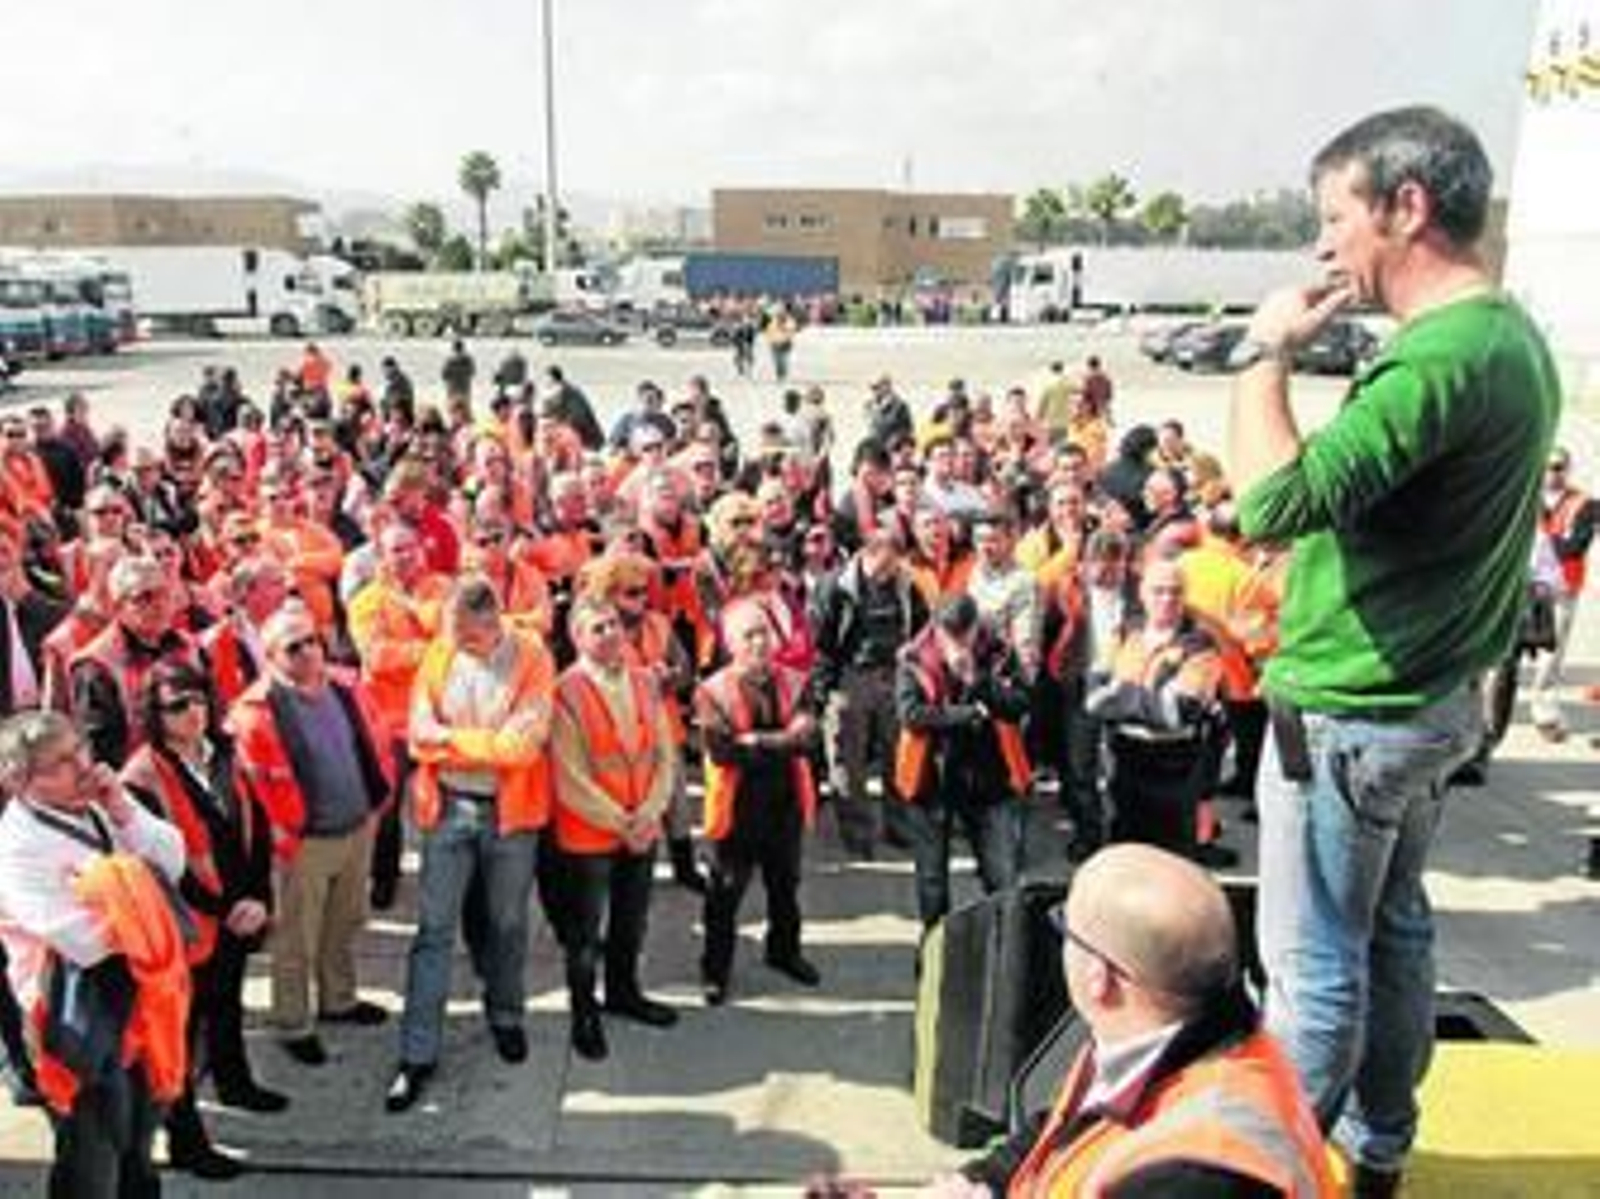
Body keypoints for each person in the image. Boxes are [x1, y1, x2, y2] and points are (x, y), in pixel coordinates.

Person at [1228, 107, 1559, 1196]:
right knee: (1395, 933)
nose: (1324, 246)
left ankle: (1262, 1175)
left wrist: (1264, 349)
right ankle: (1376, 1154)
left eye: (1337, 216)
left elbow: (1268, 502)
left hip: (1352, 714)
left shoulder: (1434, 360)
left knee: (1312, 965)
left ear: (1406, 207)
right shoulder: (1508, 337)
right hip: (1425, 703)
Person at [927, 844, 1334, 1198]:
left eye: (1065, 927)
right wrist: (980, 1181)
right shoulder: (1152, 1036)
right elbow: (1061, 1133)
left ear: (1099, 977)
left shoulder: (1199, 1172)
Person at [0, 710, 189, 1199]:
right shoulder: (17, 843)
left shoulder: (96, 804)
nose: (81, 764)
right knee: (92, 1144)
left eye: (80, 749)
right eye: (59, 762)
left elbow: (172, 857)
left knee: (140, 1131)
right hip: (73, 1012)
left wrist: (123, 807)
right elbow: (79, 940)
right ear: (20, 780)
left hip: (136, 993)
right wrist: (146, 901)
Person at [386, 578, 554, 1112]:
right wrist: (473, 746)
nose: (455, 645)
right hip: (447, 812)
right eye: (452, 636)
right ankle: (416, 1055)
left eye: (467, 638)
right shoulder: (441, 651)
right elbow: (417, 734)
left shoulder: (531, 658)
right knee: (433, 932)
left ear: (495, 621)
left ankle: (506, 1015)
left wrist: (449, 742)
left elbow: (521, 747)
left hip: (510, 817)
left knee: (507, 924)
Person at [122, 661, 283, 1181]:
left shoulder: (225, 754)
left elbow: (255, 831)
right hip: (188, 926)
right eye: (175, 705)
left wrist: (258, 896)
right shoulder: (142, 777)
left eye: (197, 699)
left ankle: (235, 1083)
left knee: (227, 1004)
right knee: (178, 1038)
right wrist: (226, 909)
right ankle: (186, 1140)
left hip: (238, 912)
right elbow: (162, 869)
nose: (192, 712)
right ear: (154, 714)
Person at [229, 606, 395, 1066]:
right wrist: (280, 846)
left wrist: (377, 808)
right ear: (268, 657)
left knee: (345, 922)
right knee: (295, 938)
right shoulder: (254, 712)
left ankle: (339, 1000)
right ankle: (293, 1022)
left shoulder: (347, 685)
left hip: (357, 827)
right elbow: (255, 793)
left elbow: (376, 743)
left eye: (312, 641)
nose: (307, 653)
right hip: (302, 843)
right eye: (292, 647)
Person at [546, 597, 679, 1061]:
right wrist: (625, 823)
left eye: (613, 626)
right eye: (597, 628)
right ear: (578, 638)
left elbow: (665, 754)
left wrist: (651, 811)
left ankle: (623, 993)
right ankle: (585, 1013)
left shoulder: (644, 681)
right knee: (584, 935)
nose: (609, 634)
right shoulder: (566, 691)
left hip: (640, 826)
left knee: (631, 920)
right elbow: (569, 778)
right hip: (591, 834)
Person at [696, 597, 821, 1006]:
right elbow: (722, 751)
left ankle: (784, 952)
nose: (759, 642)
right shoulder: (712, 691)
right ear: (731, 644)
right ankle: (715, 972)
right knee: (724, 895)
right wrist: (784, 743)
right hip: (738, 809)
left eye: (764, 632)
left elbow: (808, 738)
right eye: (749, 635)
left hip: (783, 804)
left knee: (785, 886)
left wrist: (760, 742)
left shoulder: (795, 680)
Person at [894, 595, 1031, 928]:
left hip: (988, 775)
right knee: (932, 881)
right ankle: (934, 950)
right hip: (932, 780)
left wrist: (976, 681)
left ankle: (1003, 945)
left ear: (976, 628)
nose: (955, 643)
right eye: (947, 635)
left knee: (1001, 873)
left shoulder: (998, 652)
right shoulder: (914, 656)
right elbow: (911, 715)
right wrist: (969, 714)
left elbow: (1020, 703)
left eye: (963, 635)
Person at [1086, 559, 1225, 863]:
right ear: (1142, 593)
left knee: (1172, 863)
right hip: (1124, 760)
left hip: (1175, 767)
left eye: (1175, 592)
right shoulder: (1126, 631)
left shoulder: (1201, 645)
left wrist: (1121, 695)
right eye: (1158, 591)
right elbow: (1094, 698)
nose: (1167, 599)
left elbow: (1179, 712)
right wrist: (1149, 699)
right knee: (1125, 858)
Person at [810, 527, 929, 859]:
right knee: (848, 762)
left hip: (893, 676)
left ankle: (899, 825)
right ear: (866, 554)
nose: (887, 575)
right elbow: (820, 642)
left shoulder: (907, 585)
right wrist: (824, 693)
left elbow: (922, 628)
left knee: (898, 756)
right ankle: (857, 834)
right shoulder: (834, 587)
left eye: (894, 567)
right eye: (882, 568)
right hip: (850, 676)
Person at [69, 555, 203, 767]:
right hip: (145, 782)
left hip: (198, 767)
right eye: (144, 598)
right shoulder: (95, 665)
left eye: (164, 593)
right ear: (117, 606)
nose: (159, 604)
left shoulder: (190, 645)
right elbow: (101, 753)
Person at [1526, 446, 1595, 741]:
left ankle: (1542, 707)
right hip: (1522, 586)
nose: (1553, 473)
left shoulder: (1586, 504)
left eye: (1559, 467)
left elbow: (1575, 547)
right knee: (1507, 652)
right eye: (1548, 467)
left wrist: (1540, 537)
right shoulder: (1523, 496)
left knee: (1551, 652)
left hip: (1563, 587)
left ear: (1568, 469)